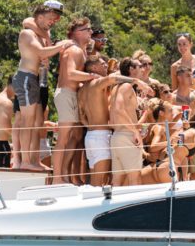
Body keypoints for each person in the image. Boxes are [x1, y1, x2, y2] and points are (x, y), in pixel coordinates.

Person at [12, 3, 73, 170]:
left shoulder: (41, 34)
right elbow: (41, 53)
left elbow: (43, 53)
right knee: (27, 121)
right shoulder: (27, 33)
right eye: (49, 19)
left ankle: (33, 160)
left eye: (54, 19)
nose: (52, 22)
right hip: (25, 77)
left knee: (36, 122)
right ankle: (24, 162)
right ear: (39, 18)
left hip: (35, 79)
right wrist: (62, 45)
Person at [78, 55, 149, 186]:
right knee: (101, 182)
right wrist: (136, 81)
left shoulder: (82, 89)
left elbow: (81, 116)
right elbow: (112, 79)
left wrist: (93, 126)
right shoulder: (97, 83)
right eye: (102, 64)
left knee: (98, 182)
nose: (105, 65)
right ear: (93, 68)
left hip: (90, 136)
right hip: (102, 136)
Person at [52, 17, 97, 184]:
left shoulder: (79, 50)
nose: (91, 32)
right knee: (63, 138)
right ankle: (57, 178)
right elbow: (71, 74)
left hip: (69, 95)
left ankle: (64, 175)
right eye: (87, 29)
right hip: (66, 94)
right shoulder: (75, 51)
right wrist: (93, 76)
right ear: (77, 33)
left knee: (71, 138)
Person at [109, 57, 150, 186]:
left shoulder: (116, 88)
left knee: (117, 182)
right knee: (135, 179)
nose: (143, 68)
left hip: (117, 136)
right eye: (140, 66)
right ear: (131, 69)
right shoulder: (126, 86)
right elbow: (118, 109)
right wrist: (135, 131)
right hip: (127, 136)